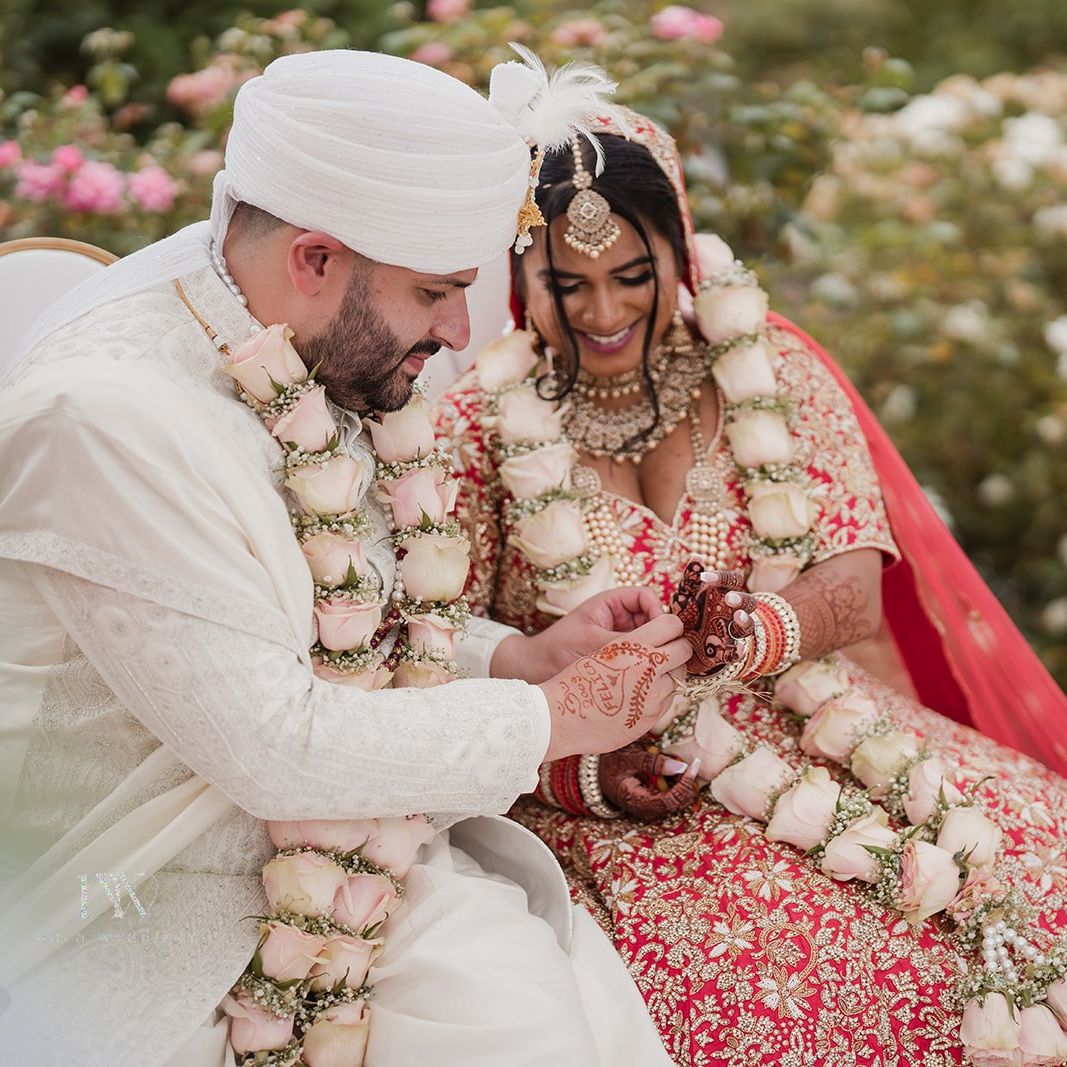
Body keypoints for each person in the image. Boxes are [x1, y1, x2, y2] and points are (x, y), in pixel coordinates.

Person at [0, 53, 694, 1066]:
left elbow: (327, 620)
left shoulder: (292, 331)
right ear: (316, 258)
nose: (458, 332)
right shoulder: (102, 416)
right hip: (142, 909)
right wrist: (556, 718)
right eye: (435, 292)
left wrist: (514, 661)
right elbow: (274, 747)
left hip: (368, 862)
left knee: (527, 1017)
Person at [433, 108, 1067, 1066]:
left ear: (681, 256)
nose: (602, 314)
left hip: (830, 724)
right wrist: (582, 772)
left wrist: (750, 633)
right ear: (518, 278)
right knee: (797, 982)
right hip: (626, 787)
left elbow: (853, 588)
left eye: (631, 277)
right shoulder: (476, 426)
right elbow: (438, 647)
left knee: (1035, 875)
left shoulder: (771, 368)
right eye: (566, 285)